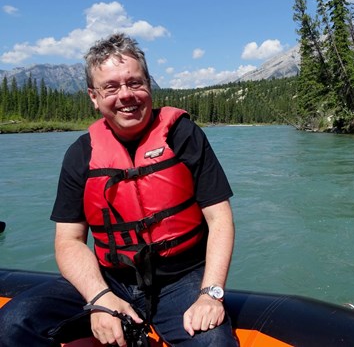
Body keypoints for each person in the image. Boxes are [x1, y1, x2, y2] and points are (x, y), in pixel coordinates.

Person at [0, 33, 237, 346]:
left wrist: (211, 294)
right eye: (111, 87)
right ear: (94, 97)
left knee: (214, 343)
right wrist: (100, 298)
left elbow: (219, 219)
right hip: (110, 279)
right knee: (13, 324)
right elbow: (68, 240)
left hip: (182, 278)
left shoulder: (183, 136)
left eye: (135, 83)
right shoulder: (80, 154)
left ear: (148, 86)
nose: (126, 95)